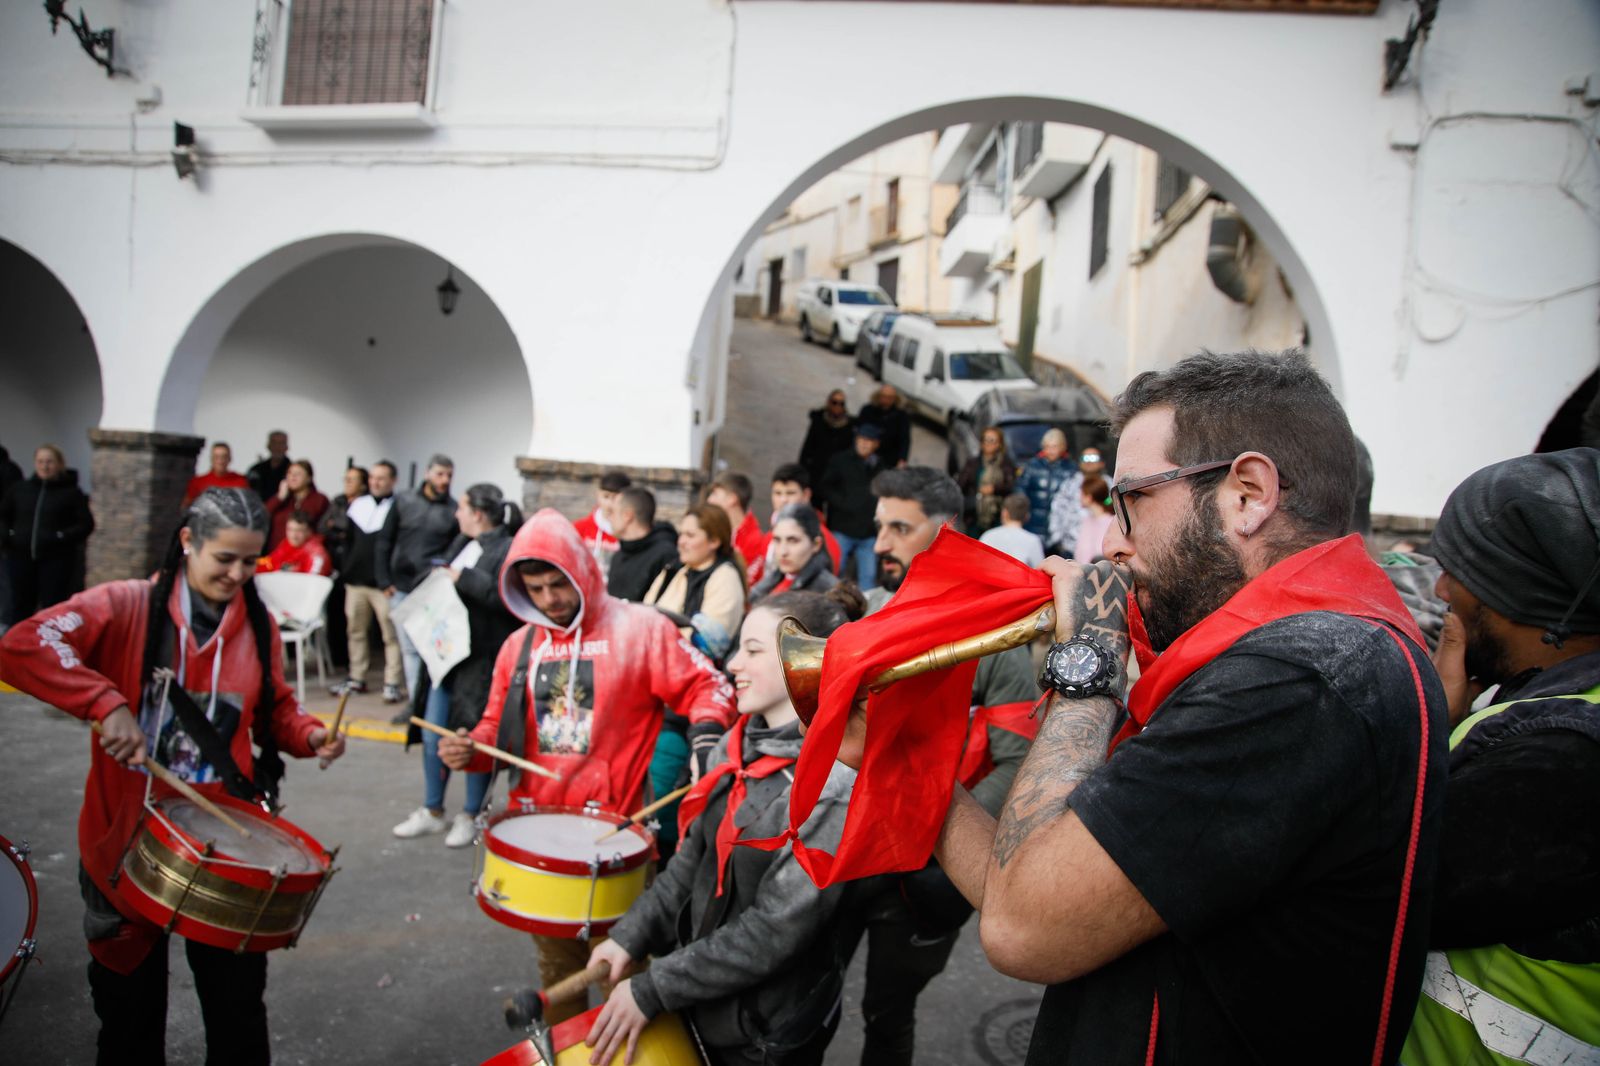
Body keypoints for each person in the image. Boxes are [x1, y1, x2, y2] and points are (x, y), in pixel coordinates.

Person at [915, 350, 1446, 1063]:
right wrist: (909, 762)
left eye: (1131, 499)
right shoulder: (1294, 658)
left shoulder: (1300, 681)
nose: (1111, 541)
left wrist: (1090, 662)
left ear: (1248, 494)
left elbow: (1022, 927)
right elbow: (1032, 887)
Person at [0, 487, 345, 1065]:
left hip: (227, 845)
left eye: (249, 562)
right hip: (125, 845)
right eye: (224, 559)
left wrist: (311, 734)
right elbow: (23, 643)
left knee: (237, 1022)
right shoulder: (127, 603)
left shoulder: (258, 626)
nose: (237, 574)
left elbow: (277, 709)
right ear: (187, 542)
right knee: (129, 1026)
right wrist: (104, 702)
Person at [437, 508, 735, 1022]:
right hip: (543, 840)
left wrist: (705, 733)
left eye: (559, 583)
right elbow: (494, 728)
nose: (550, 600)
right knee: (558, 979)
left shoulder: (640, 628)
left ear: (583, 570)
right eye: (536, 588)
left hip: (616, 838)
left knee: (627, 981)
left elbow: (709, 686)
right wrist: (471, 748)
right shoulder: (519, 645)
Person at [583, 588, 868, 1066]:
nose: (732, 663)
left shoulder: (830, 786)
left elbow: (775, 931)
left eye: (753, 651)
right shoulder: (734, 747)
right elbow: (690, 863)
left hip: (765, 1031)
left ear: (809, 662)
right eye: (738, 647)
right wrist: (631, 935)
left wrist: (655, 987)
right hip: (701, 999)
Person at [1401, 449, 1600, 1063]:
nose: (1439, 589)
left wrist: (1426, 724)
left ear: (1519, 588)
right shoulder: (1550, 706)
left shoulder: (1562, 760)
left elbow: (1377, 884)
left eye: (1459, 570)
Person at [854, 466, 1040, 1065]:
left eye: (899, 528)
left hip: (922, 873)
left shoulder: (995, 632)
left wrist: (943, 863)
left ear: (945, 532)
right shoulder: (872, 607)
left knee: (886, 1013)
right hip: (857, 849)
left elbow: (1016, 760)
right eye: (879, 527)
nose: (879, 544)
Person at [394, 484, 524, 848]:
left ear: (478, 513)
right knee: (434, 733)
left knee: (472, 737)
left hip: (480, 661)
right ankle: (432, 809)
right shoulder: (461, 541)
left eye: (462, 508)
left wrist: (460, 578)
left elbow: (506, 595)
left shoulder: (506, 548)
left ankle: (471, 813)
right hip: (445, 656)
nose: (456, 514)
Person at [378, 454, 458, 713]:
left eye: (449, 475)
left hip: (431, 590)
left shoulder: (453, 510)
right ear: (427, 474)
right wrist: (384, 579)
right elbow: (384, 541)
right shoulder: (403, 501)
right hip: (400, 586)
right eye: (440, 474)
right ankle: (415, 706)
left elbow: (455, 551)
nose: (444, 480)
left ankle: (428, 706)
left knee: (431, 650)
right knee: (409, 650)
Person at [1, 443, 94, 624]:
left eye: (50, 462)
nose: (45, 466)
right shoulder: (20, 490)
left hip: (55, 560)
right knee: (20, 605)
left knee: (52, 606)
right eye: (41, 461)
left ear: (59, 464)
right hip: (21, 557)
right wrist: (8, 535)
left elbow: (85, 524)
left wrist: (61, 536)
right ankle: (17, 644)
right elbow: (4, 515)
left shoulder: (71, 493)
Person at [333, 460, 403, 701]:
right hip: (356, 582)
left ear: (392, 481)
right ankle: (357, 677)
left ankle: (391, 681)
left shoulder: (398, 507)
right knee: (355, 631)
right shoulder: (358, 506)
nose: (375, 482)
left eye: (381, 478)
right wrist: (347, 570)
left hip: (383, 586)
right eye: (372, 477)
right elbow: (347, 541)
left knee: (390, 635)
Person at [645, 502, 747, 663]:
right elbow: (645, 614)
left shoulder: (726, 578)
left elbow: (709, 644)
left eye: (690, 535)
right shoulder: (674, 570)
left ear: (714, 541)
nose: (681, 542)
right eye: (681, 534)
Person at [750, 463, 842, 587]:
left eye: (790, 493)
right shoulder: (769, 536)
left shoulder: (824, 538)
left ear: (806, 495)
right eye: (777, 493)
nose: (783, 500)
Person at [819, 423, 884, 589]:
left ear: (876, 444)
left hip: (868, 533)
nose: (863, 443)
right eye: (861, 439)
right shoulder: (841, 460)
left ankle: (866, 615)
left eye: (869, 440)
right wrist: (843, 503)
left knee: (868, 579)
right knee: (833, 571)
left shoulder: (881, 466)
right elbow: (826, 486)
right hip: (842, 529)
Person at [750, 502, 838, 602]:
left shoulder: (829, 594)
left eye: (793, 541)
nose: (783, 551)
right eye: (777, 540)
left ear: (816, 544)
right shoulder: (769, 584)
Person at [606, 486, 680, 603]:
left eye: (612, 512)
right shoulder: (620, 555)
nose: (608, 517)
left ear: (627, 516)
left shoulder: (666, 555)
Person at [1016, 428, 1076, 549]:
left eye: (1054, 446)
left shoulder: (1071, 469)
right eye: (1047, 447)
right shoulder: (1032, 466)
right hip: (1033, 523)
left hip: (1059, 528)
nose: (1050, 451)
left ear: (1063, 447)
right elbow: (1020, 490)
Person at [957, 427, 1017, 534]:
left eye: (992, 440)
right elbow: (960, 486)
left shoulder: (1006, 464)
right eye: (985, 439)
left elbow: (1012, 486)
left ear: (999, 444)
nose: (988, 443)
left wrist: (994, 489)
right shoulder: (973, 463)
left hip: (997, 517)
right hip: (974, 516)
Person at [571, 469, 630, 577]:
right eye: (606, 496)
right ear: (598, 495)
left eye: (616, 498)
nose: (610, 504)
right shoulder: (579, 528)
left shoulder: (631, 533)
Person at [705, 472, 765, 576]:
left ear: (732, 499)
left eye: (715, 494)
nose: (709, 500)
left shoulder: (755, 540)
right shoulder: (714, 531)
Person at [263, 460, 329, 551]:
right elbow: (262, 516)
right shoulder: (280, 498)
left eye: (298, 474)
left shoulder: (320, 500)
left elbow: (324, 530)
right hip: (277, 554)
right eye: (290, 473)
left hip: (306, 554)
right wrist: (279, 498)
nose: (293, 477)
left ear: (309, 478)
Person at [798, 389, 857, 489]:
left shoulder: (850, 426)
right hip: (816, 470)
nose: (838, 406)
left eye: (841, 403)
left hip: (835, 474)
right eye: (835, 402)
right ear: (828, 402)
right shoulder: (818, 420)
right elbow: (808, 445)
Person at [979, 492, 1045, 568]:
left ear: (1004, 513)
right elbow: (1040, 572)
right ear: (1027, 516)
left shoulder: (988, 536)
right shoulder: (1033, 541)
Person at [255, 511, 331, 575]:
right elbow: (270, 563)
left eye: (299, 530)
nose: (293, 535)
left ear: (309, 532)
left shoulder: (317, 554)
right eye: (290, 529)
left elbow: (312, 582)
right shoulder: (286, 544)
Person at [857, 385, 911, 470]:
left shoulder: (901, 416)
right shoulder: (867, 410)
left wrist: (902, 459)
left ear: (895, 399)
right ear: (878, 396)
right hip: (866, 456)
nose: (886, 400)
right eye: (884, 396)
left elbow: (904, 439)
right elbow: (858, 432)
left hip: (889, 459)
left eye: (890, 397)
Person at [182, 442, 250, 509]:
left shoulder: (240, 481)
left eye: (224, 457)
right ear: (211, 459)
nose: (220, 461)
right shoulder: (198, 482)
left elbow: (247, 506)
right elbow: (186, 507)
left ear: (229, 459)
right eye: (216, 457)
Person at [1071, 475, 1113, 564]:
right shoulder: (1087, 521)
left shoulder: (1111, 522)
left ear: (1089, 497)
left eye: (1082, 494)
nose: (1079, 497)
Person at [245, 429, 291, 503]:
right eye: (274, 443)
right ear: (268, 446)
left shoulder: (293, 471)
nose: (277, 447)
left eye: (281, 443)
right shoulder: (256, 470)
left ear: (286, 447)